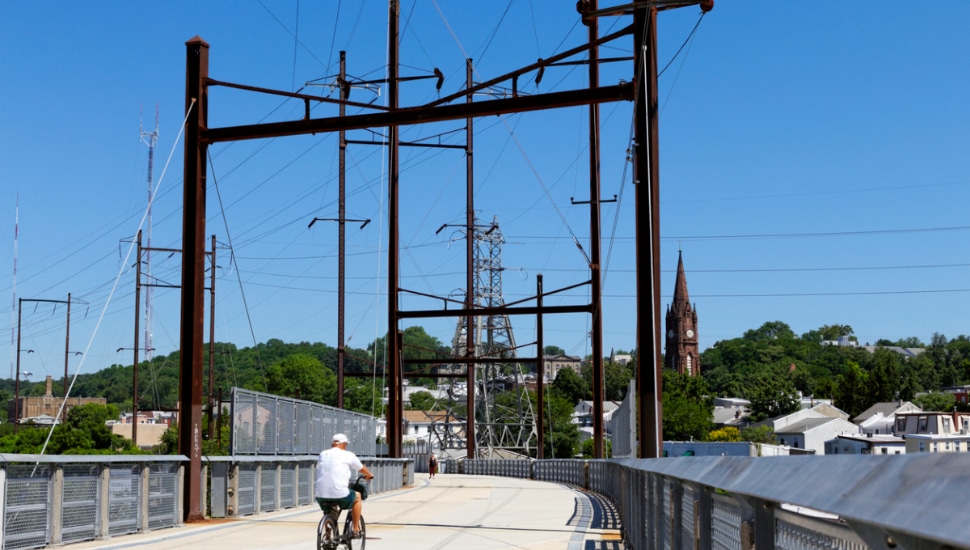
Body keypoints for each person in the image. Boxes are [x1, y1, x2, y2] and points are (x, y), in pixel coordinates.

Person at [315, 433, 373, 538]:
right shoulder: (348, 455)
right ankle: (355, 529)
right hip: (340, 493)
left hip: (320, 494)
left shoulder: (323, 454)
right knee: (357, 496)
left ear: (332, 444)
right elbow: (361, 468)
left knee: (329, 508)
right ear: (343, 444)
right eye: (346, 444)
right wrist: (369, 474)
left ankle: (328, 534)